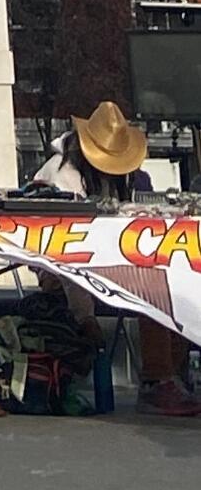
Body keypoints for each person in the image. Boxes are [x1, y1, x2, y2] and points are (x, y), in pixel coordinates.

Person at [34, 101, 199, 417]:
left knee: (172, 279)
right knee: (151, 287)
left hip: (103, 262)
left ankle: (169, 376)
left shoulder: (99, 176)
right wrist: (85, 317)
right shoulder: (61, 178)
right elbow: (65, 255)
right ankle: (157, 380)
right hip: (65, 272)